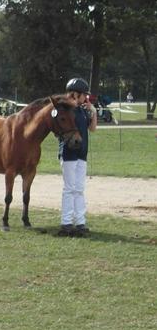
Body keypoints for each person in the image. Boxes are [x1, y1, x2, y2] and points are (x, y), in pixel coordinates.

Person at [58, 77, 97, 237]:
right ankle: (66, 222)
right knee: (69, 188)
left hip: (82, 153)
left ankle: (80, 222)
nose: (86, 98)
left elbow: (93, 129)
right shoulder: (65, 109)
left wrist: (93, 111)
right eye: (83, 95)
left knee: (79, 189)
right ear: (75, 94)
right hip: (68, 152)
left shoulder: (82, 110)